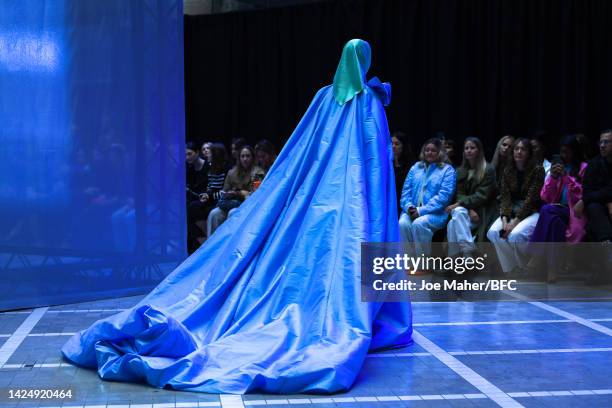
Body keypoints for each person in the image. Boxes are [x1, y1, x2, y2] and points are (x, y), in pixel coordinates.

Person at [62, 39, 412, 394]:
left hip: (326, 200)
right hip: (349, 204)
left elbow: (305, 151)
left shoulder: (333, 98)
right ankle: (356, 312)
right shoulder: (364, 100)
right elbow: (370, 166)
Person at [528, 135, 588, 282]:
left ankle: (536, 255)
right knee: (555, 223)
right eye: (562, 152)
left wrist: (567, 177)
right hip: (558, 210)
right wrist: (553, 178)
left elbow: (582, 193)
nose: (564, 155)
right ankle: (552, 271)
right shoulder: (557, 169)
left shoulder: (584, 168)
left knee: (546, 210)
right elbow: (545, 196)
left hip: (574, 211)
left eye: (567, 151)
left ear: (575, 152)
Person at [487, 138, 545, 274]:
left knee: (515, 235)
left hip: (533, 211)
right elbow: (505, 199)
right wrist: (505, 220)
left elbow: (530, 200)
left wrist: (513, 224)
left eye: (523, 149)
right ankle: (512, 268)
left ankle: (525, 267)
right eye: (516, 149)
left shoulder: (537, 170)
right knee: (494, 233)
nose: (519, 152)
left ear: (529, 153)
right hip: (511, 210)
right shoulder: (508, 170)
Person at [399, 138, 456, 258]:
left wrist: (420, 211)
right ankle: (410, 260)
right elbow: (405, 193)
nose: (429, 153)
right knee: (402, 223)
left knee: (419, 224)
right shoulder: (415, 167)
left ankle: (423, 261)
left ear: (440, 152)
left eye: (433, 150)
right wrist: (409, 207)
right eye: (427, 150)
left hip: (437, 213)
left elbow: (443, 197)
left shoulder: (447, 170)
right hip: (412, 210)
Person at [445, 137, 498, 260]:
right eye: (466, 148)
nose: (469, 150)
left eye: (472, 148)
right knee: (456, 215)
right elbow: (459, 193)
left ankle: (453, 260)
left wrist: (461, 204)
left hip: (483, 211)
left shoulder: (488, 169)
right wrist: (468, 209)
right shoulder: (460, 170)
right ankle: (467, 253)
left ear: (479, 150)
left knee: (453, 223)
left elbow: (481, 196)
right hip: (467, 211)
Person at [207, 145, 263, 237]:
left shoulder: (258, 172)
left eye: (248, 156)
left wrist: (238, 193)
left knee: (233, 212)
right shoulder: (232, 172)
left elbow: (255, 194)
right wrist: (228, 194)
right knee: (214, 214)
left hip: (247, 206)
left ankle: (229, 246)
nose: (245, 159)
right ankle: (210, 247)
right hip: (232, 202)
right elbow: (224, 191)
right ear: (239, 158)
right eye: (242, 156)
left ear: (252, 158)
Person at [186, 143, 227, 253]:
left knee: (197, 209)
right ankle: (205, 241)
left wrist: (209, 196)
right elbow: (210, 187)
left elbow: (224, 192)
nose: (207, 154)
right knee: (190, 209)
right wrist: (206, 194)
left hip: (220, 201)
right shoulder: (211, 168)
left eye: (210, 153)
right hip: (211, 198)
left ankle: (208, 243)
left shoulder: (225, 170)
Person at [582, 130, 612, 243]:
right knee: (593, 207)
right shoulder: (594, 163)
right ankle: (607, 243)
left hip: (602, 202)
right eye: (601, 142)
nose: (602, 146)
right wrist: (608, 202)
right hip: (599, 206)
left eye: (607, 142)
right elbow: (587, 193)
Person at [391, 131, 415, 214]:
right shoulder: (386, 164)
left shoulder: (412, 165)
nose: (393, 146)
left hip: (404, 203)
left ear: (403, 146)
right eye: (391, 143)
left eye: (397, 144)